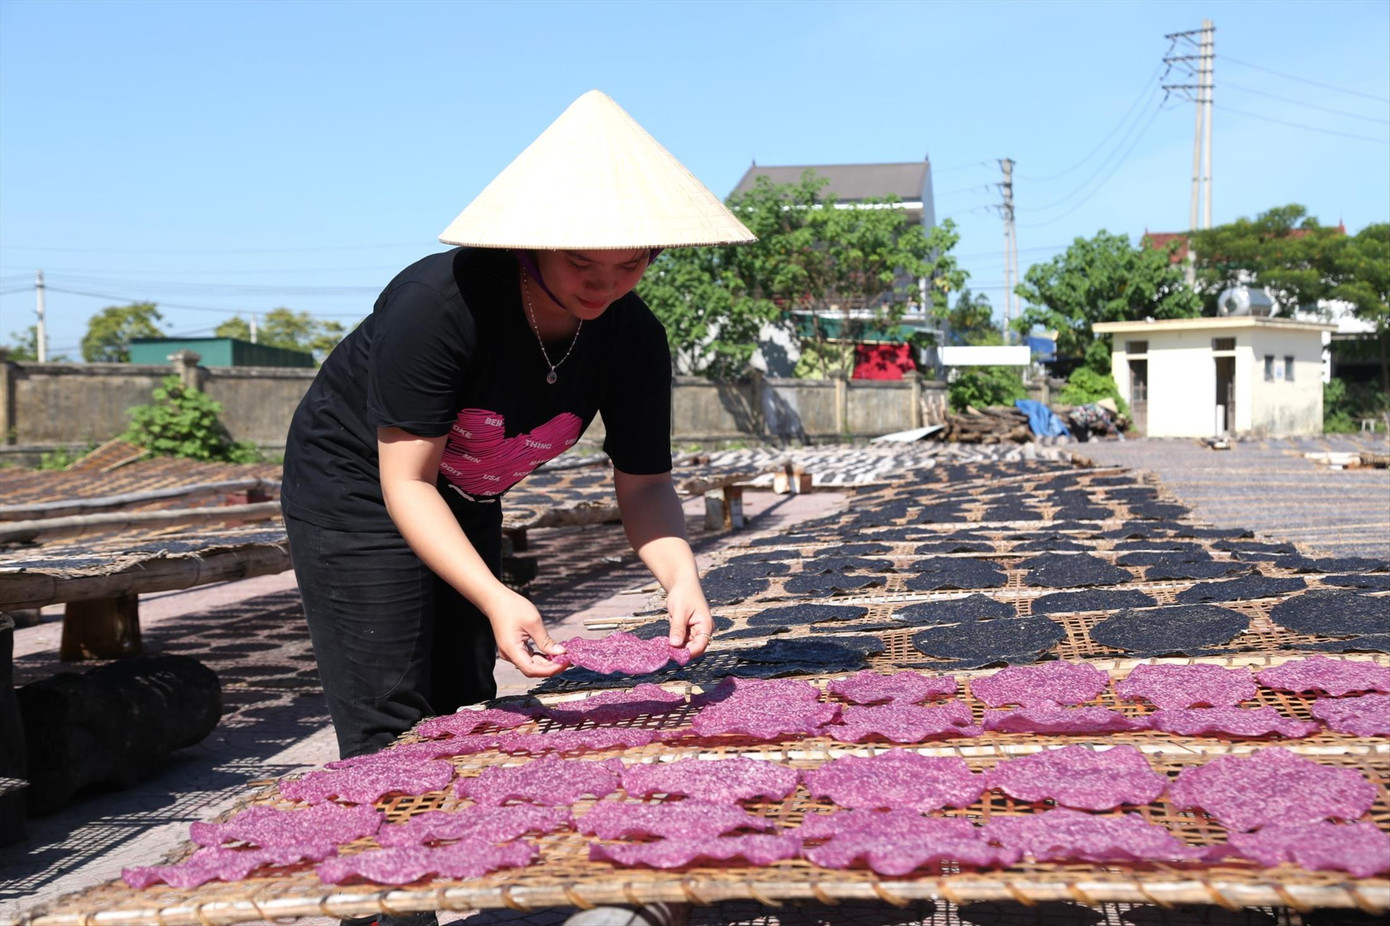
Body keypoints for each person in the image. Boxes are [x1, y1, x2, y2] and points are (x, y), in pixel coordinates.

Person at [280, 91, 755, 925]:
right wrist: (499, 594)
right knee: (389, 711)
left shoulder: (633, 336)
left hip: (463, 494)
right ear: (535, 245)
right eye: (584, 268)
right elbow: (406, 482)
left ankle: (459, 882)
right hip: (359, 486)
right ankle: (388, 907)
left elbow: (643, 485)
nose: (607, 288)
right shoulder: (443, 304)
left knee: (463, 701)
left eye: (632, 266)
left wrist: (681, 575)